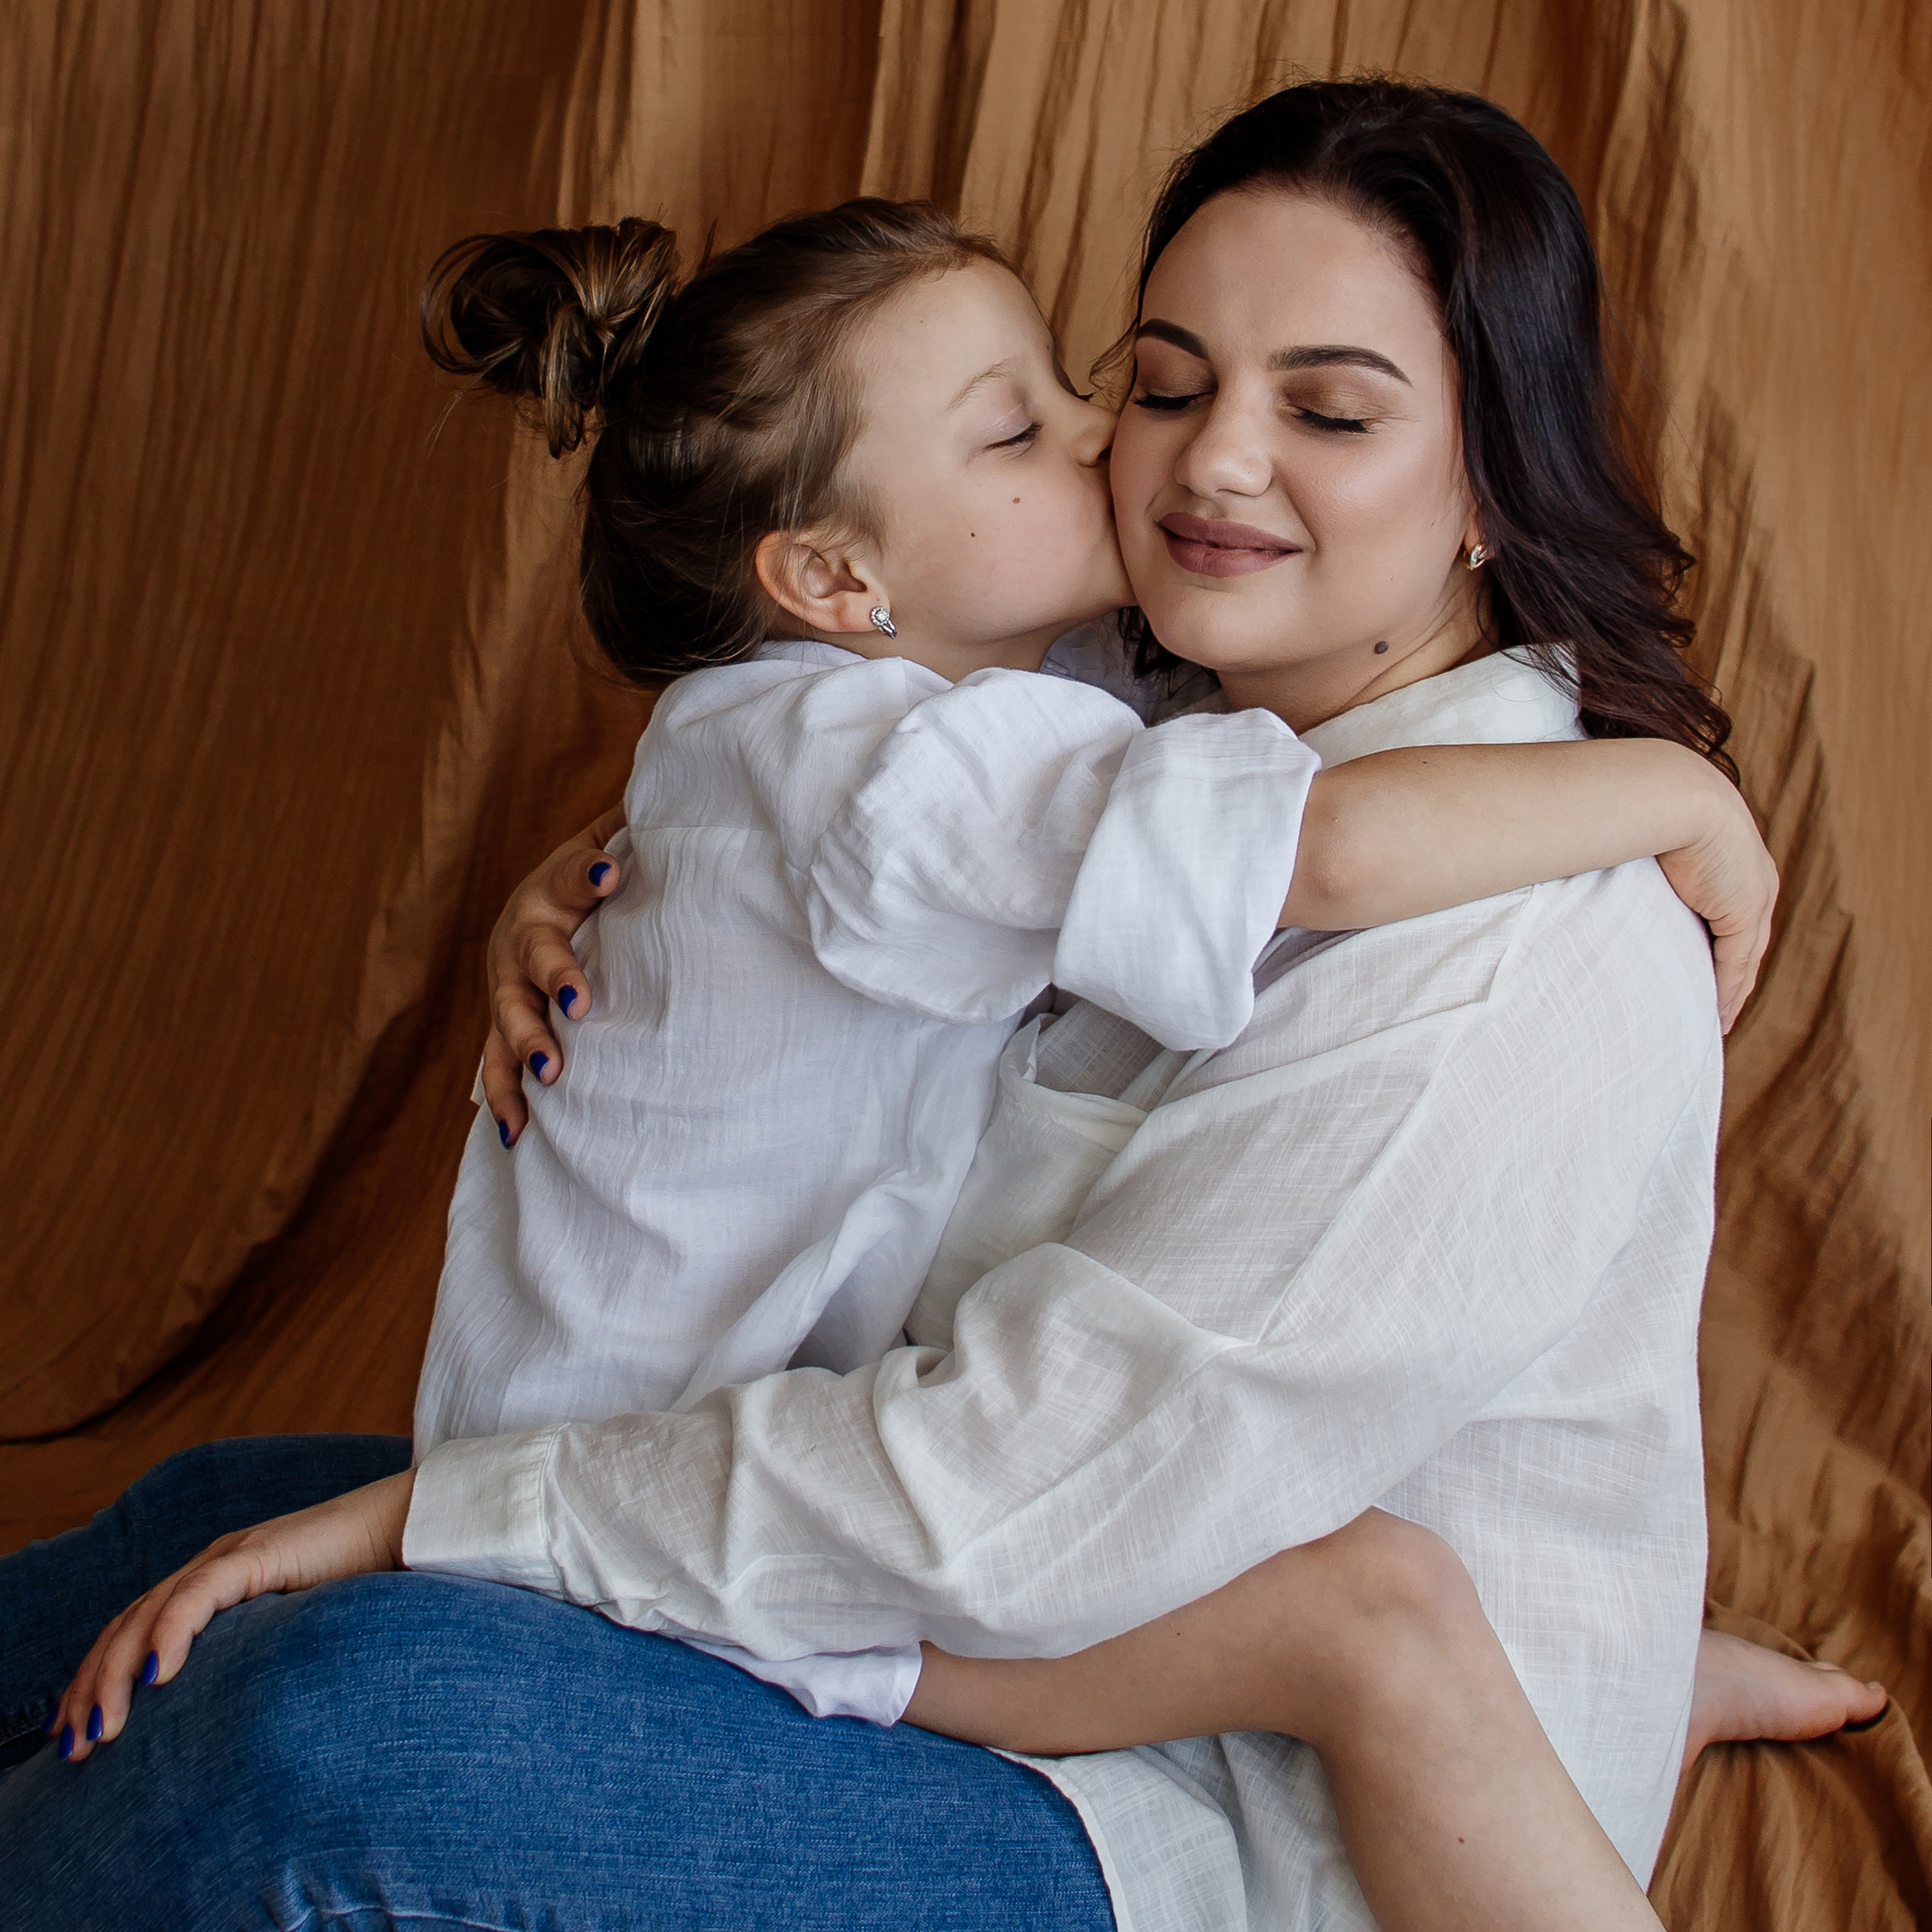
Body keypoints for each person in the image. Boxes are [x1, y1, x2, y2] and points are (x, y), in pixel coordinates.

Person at [0, 77, 1884, 1932]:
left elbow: (1016, 1507)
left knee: (324, 1728)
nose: (1205, 463)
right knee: (230, 1503)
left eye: (1327, 409)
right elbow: (873, 767)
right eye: (1154, 384)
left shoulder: (1496, 958)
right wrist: (620, 864)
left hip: (1174, 1788)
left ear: (1490, 478)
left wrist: (459, 1520)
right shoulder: (1187, 701)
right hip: (1006, 1571)